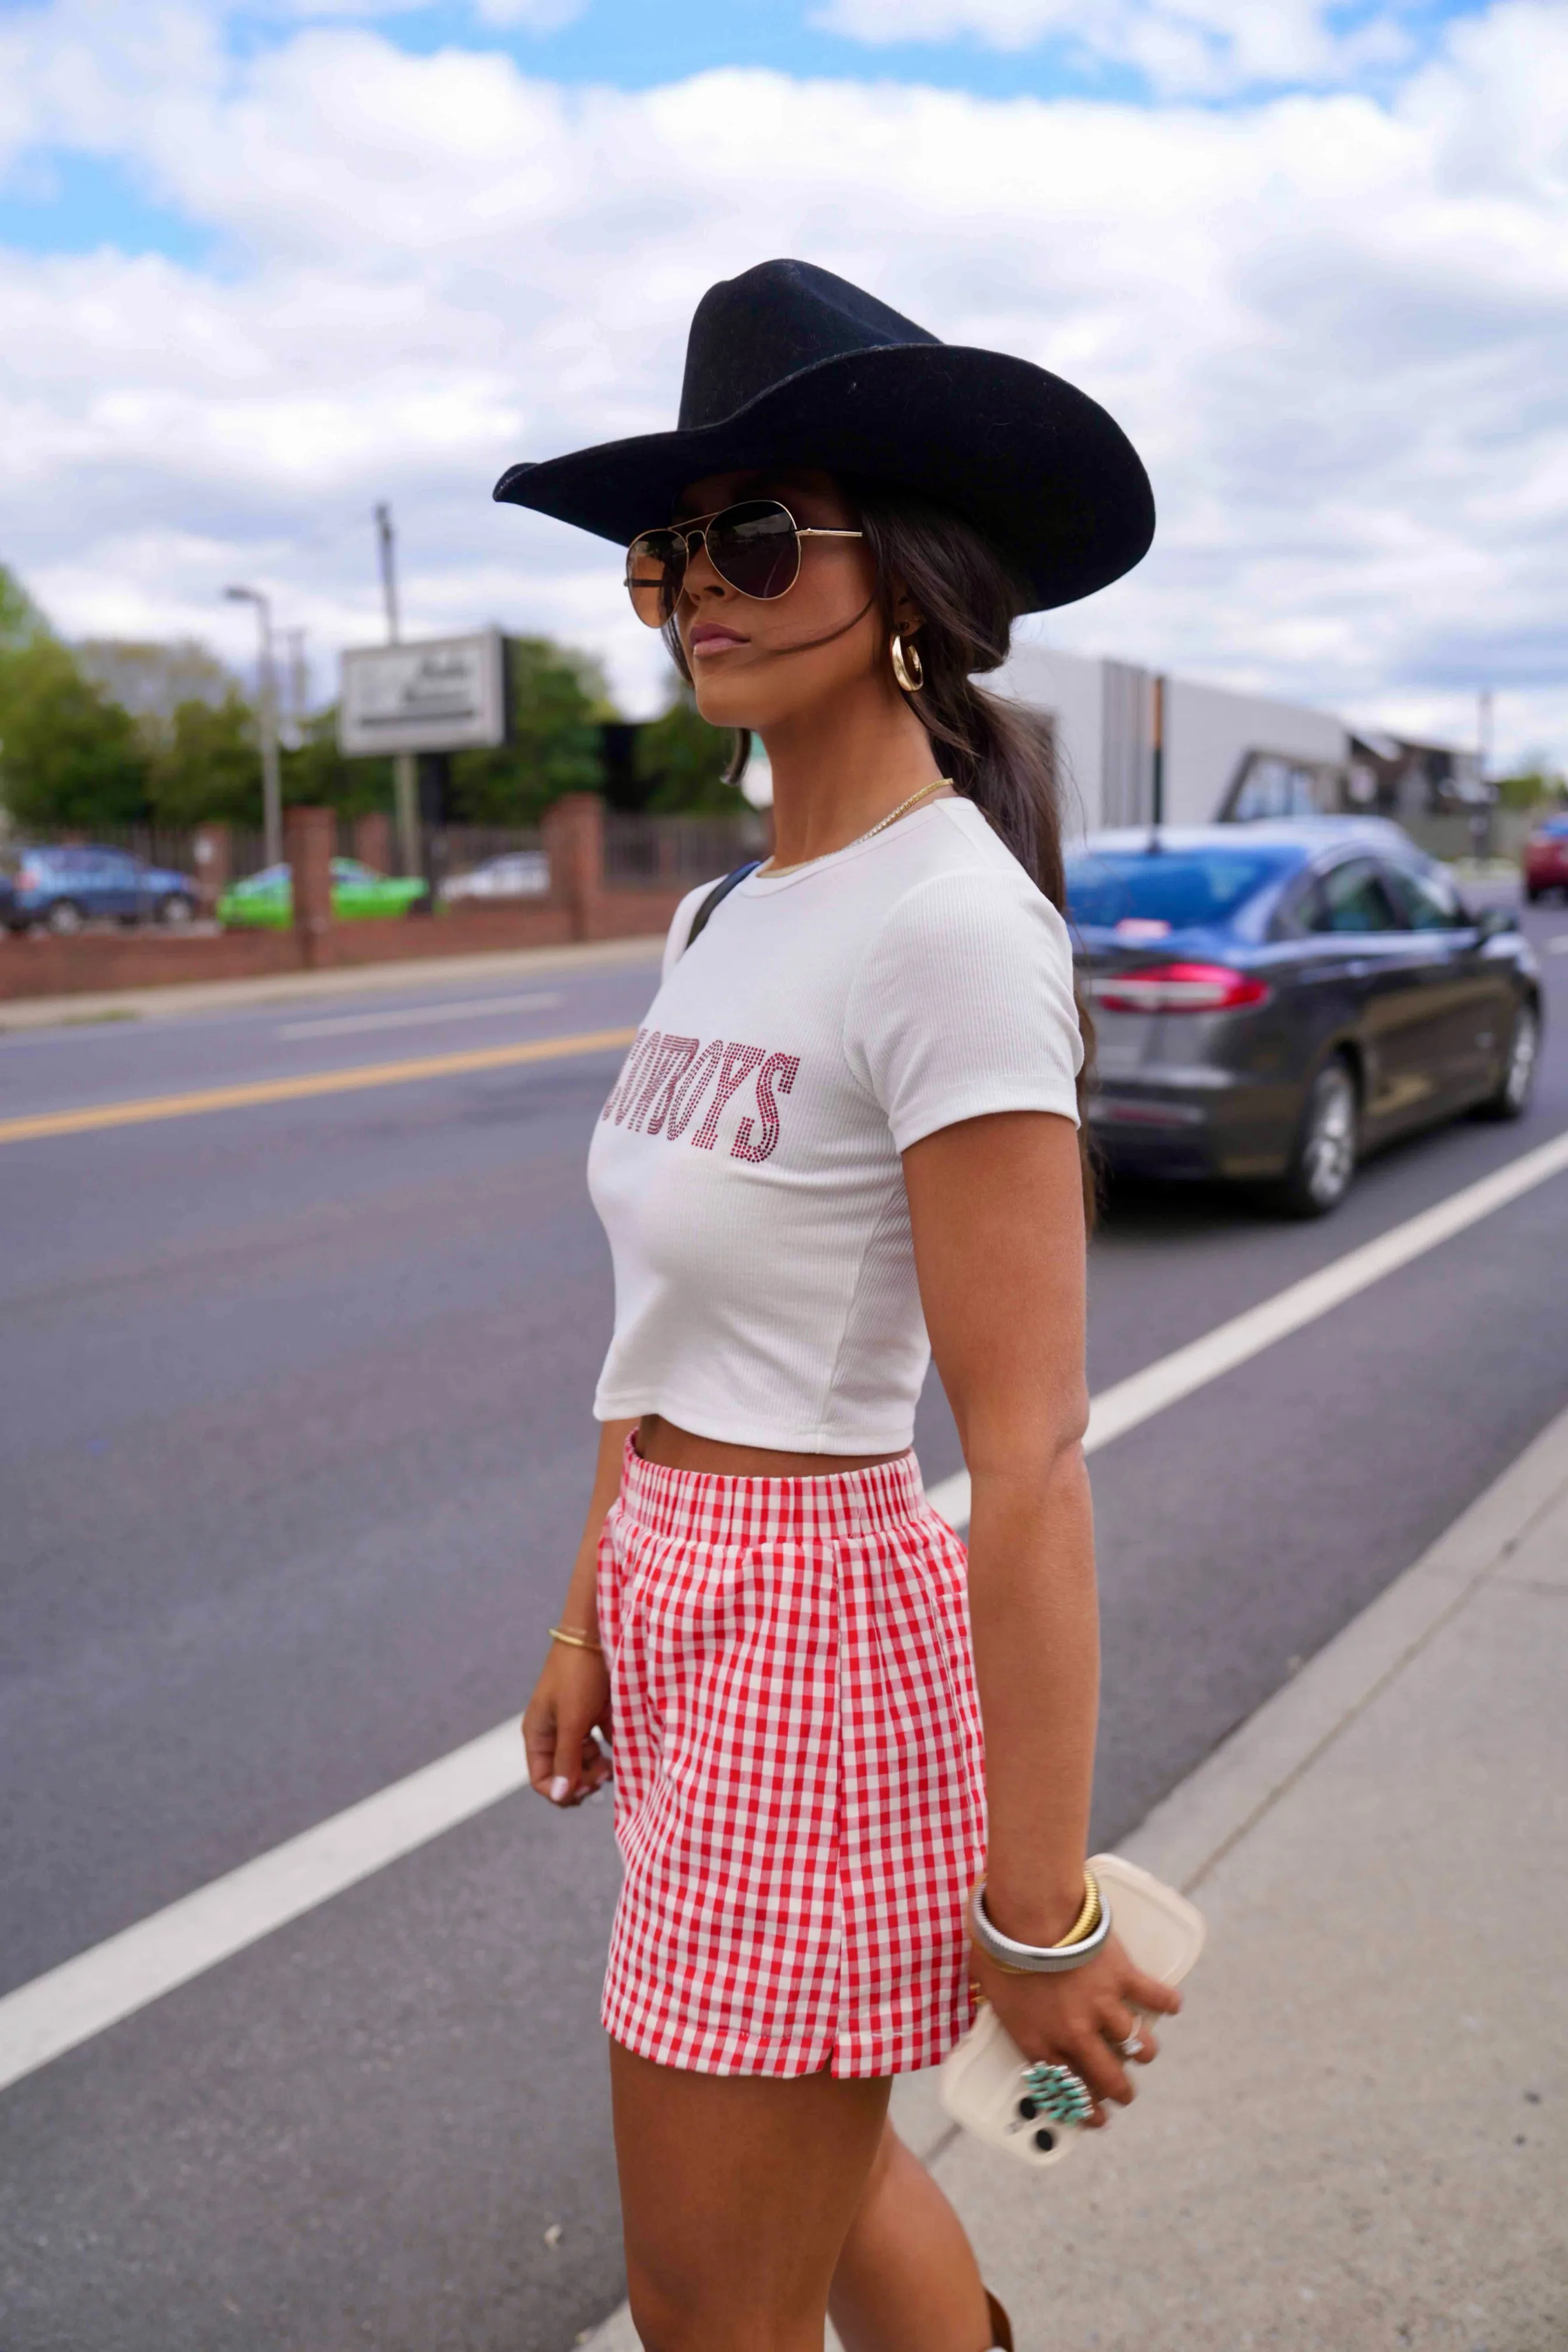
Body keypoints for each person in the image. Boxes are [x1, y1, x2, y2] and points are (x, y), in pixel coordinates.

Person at [504, 260, 1181, 2352]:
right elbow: (665, 1319)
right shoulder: (730, 910)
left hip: (816, 1635)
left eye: (757, 534)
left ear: (909, 573)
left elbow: (1034, 1454)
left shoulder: (951, 922)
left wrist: (1039, 1909)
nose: (703, 585)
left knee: (703, 2295)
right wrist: (588, 1603)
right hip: (689, 1611)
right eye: (670, 549)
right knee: (814, 2168)